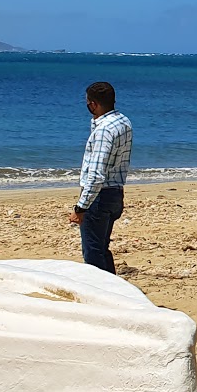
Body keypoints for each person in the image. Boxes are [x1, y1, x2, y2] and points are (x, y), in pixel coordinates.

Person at [67, 81, 133, 273]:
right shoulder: (123, 122)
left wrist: (81, 207)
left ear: (93, 104)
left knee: (93, 253)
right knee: (101, 249)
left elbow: (96, 175)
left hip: (100, 196)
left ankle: (103, 295)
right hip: (115, 193)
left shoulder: (104, 130)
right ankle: (114, 292)